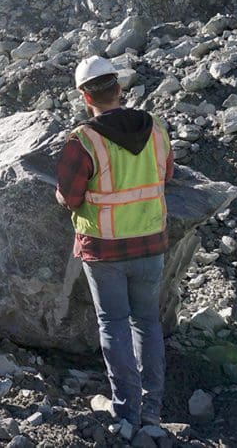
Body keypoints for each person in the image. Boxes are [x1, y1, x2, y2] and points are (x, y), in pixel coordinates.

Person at [55, 56, 173, 429]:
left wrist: (63, 197)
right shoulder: (156, 127)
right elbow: (167, 173)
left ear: (85, 97)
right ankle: (151, 407)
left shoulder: (83, 139)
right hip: (151, 242)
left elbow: (70, 196)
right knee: (148, 323)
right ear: (119, 89)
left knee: (113, 324)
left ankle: (126, 409)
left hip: (104, 249)